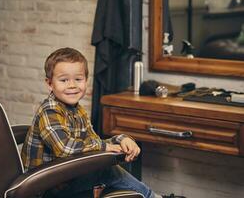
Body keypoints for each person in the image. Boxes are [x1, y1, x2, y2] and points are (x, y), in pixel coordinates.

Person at [21, 47, 183, 198]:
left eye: (78, 79)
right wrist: (105, 147)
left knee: (110, 174)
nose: (72, 85)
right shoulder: (50, 110)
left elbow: (92, 143)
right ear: (49, 84)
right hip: (44, 187)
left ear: (86, 80)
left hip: (65, 176)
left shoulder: (78, 110)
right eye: (64, 80)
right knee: (108, 172)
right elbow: (67, 148)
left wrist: (121, 140)